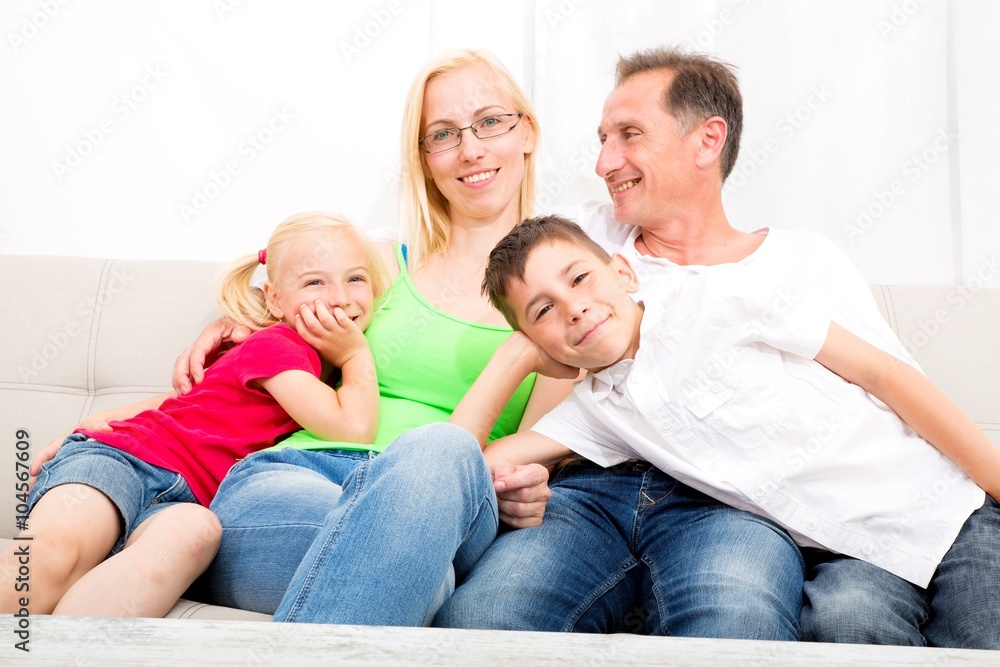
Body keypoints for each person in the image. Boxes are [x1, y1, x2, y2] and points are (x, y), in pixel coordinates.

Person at [439, 46, 1000, 649]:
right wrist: (520, 360)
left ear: (708, 141)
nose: (604, 162)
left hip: (928, 509)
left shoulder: (771, 276)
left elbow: (889, 380)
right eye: (602, 138)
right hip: (822, 537)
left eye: (629, 135)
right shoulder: (585, 244)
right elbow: (485, 447)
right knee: (846, 621)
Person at [173, 49, 570, 627]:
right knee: (425, 578)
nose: (471, 149)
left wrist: (520, 482)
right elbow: (273, 328)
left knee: (440, 452)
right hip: (298, 480)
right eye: (443, 134)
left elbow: (529, 456)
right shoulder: (377, 266)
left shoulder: (562, 298)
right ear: (426, 159)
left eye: (489, 122)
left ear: (527, 132)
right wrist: (238, 319)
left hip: (447, 508)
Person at [1, 211, 384, 618]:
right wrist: (355, 353)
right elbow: (354, 427)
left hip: (191, 501)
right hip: (127, 461)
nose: (340, 297)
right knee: (54, 554)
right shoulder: (279, 346)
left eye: (355, 279)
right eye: (314, 282)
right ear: (274, 298)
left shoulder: (283, 349)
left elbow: (183, 401)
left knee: (194, 536)